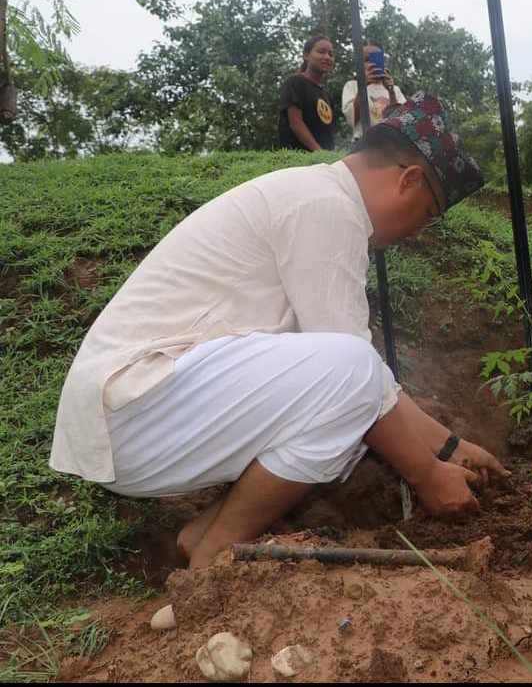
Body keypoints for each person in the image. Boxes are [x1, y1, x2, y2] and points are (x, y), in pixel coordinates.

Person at [50, 93, 507, 569]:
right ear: (408, 179)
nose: (416, 232)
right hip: (137, 407)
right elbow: (359, 375)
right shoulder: (327, 207)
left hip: (145, 414)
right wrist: (429, 475)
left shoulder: (316, 196)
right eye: (427, 214)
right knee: (352, 373)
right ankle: (214, 555)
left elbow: (367, 388)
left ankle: (202, 535)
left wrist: (450, 447)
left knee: (342, 409)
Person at [277, 34, 337, 151]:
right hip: (299, 160)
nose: (327, 57)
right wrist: (319, 153)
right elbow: (296, 123)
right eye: (321, 52)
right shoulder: (295, 82)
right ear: (306, 55)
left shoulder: (326, 94)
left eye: (331, 54)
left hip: (323, 162)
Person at [342, 42, 407, 144]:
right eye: (366, 60)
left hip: (390, 145)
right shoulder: (352, 86)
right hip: (362, 143)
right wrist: (363, 85)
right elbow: (352, 119)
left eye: (376, 59)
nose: (371, 63)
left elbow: (402, 120)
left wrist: (391, 92)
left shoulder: (395, 90)